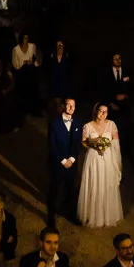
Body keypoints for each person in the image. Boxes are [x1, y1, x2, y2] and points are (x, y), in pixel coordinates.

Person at [78, 103, 124, 228]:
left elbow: (115, 143)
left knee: (107, 183)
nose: (103, 114)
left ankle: (108, 215)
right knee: (94, 183)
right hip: (93, 158)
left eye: (106, 111)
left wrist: (114, 159)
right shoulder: (87, 126)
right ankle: (93, 215)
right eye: (101, 111)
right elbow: (83, 142)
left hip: (108, 158)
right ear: (96, 112)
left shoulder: (111, 125)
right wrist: (93, 146)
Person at [47, 98, 83, 228]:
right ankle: (51, 216)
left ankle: (71, 214)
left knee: (70, 190)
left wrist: (72, 159)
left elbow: (78, 143)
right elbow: (52, 145)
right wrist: (63, 160)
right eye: (68, 105)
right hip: (58, 163)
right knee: (54, 190)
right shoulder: (54, 123)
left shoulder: (78, 122)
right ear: (63, 106)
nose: (71, 108)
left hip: (72, 164)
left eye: (73, 105)